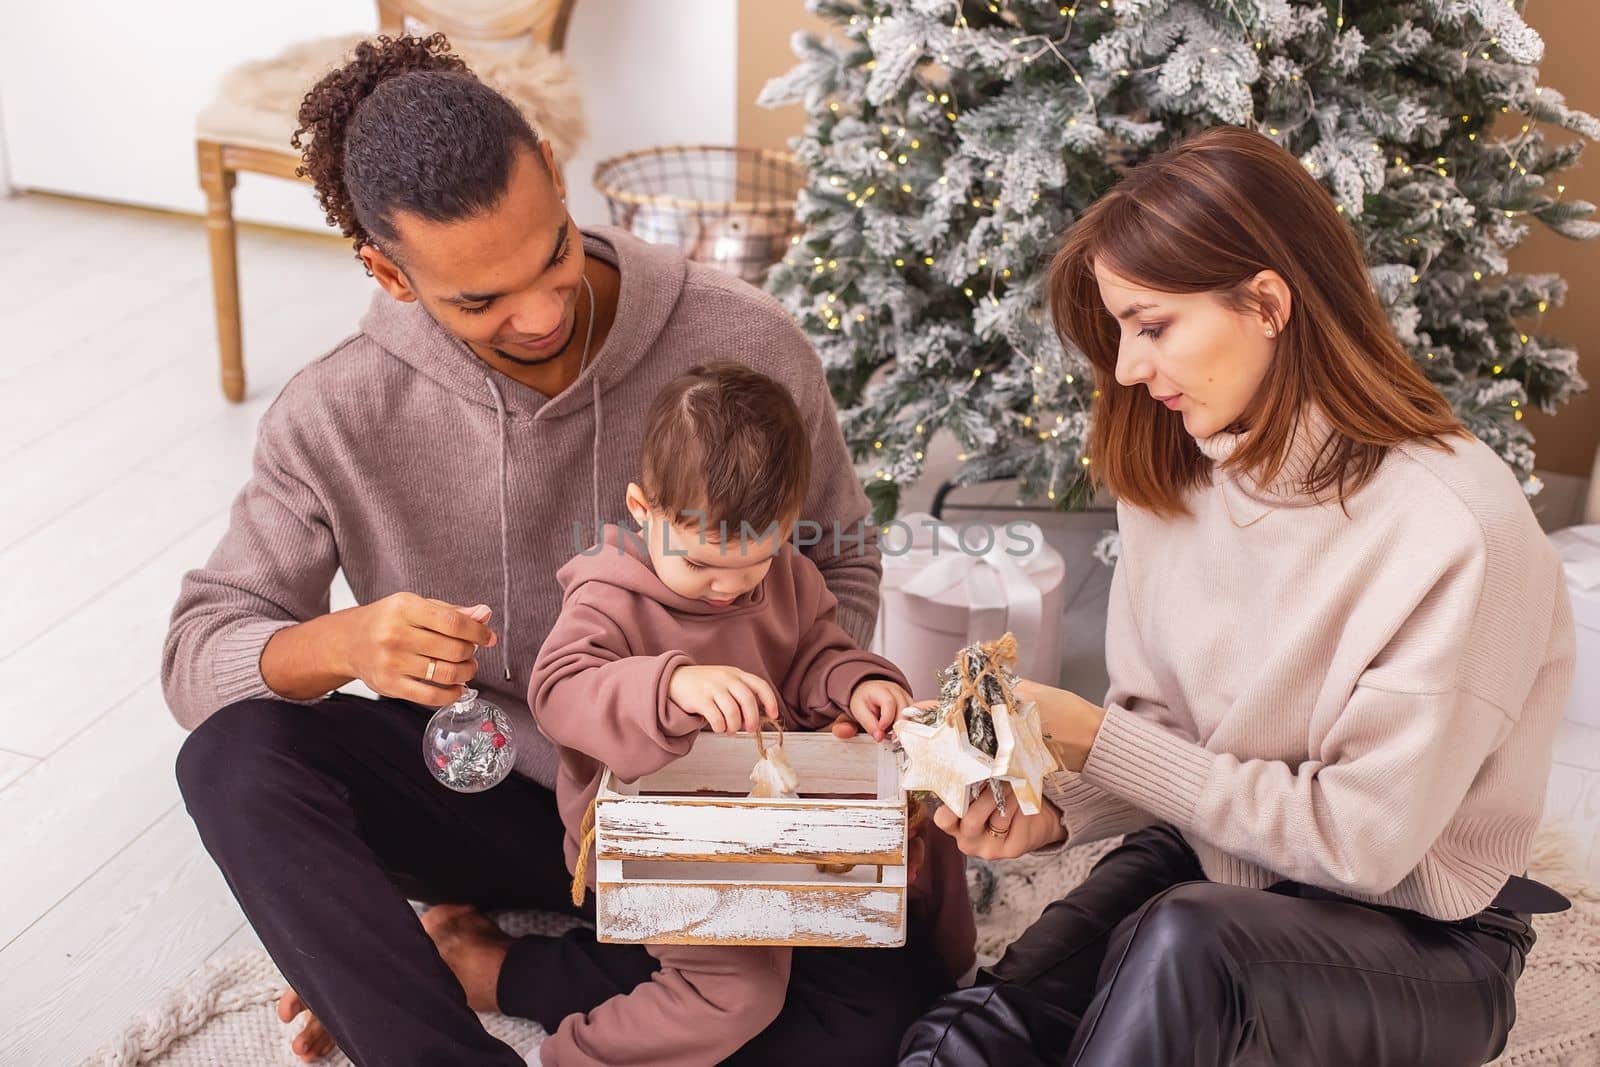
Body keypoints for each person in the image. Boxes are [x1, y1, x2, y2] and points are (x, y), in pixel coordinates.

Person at [164, 35, 884, 1065]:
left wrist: (794, 707)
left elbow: (841, 556)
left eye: (549, 253)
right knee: (234, 759)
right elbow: (201, 650)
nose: (541, 312)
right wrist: (345, 642)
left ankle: (481, 965)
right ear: (388, 272)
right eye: (480, 299)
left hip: (698, 786)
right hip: (484, 790)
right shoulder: (337, 409)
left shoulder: (743, 341)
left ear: (553, 169)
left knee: (881, 1001)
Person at [897, 125, 1575, 1066]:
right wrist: (1054, 808)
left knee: (1189, 945)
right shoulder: (1170, 477)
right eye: (1121, 331)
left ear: (1266, 302)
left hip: (1426, 935)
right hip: (1221, 861)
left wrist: (1091, 731)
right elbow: (1165, 738)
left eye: (1153, 325)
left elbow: (1362, 844)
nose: (1129, 368)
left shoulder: (1455, 524)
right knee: (971, 1035)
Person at [526, 362, 975, 1065]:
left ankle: (953, 975)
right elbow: (557, 691)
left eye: (755, 562)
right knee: (743, 991)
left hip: (768, 822)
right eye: (705, 564)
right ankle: (573, 1055)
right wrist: (672, 687)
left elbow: (814, 658)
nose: (730, 588)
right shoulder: (610, 594)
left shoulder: (788, 577)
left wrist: (858, 684)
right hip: (654, 845)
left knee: (914, 845)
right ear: (645, 513)